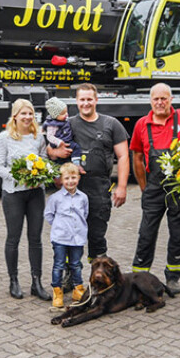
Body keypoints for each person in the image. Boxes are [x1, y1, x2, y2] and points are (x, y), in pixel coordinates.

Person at [129, 82, 180, 294]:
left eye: (164, 98)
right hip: (153, 187)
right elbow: (138, 157)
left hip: (179, 187)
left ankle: (173, 277)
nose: (160, 103)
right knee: (146, 232)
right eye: (156, 99)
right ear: (151, 101)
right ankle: (140, 275)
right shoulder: (142, 124)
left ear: (171, 99)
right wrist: (144, 187)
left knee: (178, 232)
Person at [47, 83, 129, 263]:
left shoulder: (111, 124)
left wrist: (122, 187)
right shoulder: (67, 124)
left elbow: (123, 156)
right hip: (72, 190)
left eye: (89, 99)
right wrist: (55, 153)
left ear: (96, 100)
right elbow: (49, 148)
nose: (86, 103)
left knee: (97, 236)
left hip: (99, 189)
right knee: (69, 235)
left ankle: (98, 278)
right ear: (76, 101)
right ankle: (70, 277)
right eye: (82, 99)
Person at [0, 99, 51, 301]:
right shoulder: (4, 138)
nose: (27, 117)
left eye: (30, 114)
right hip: (13, 194)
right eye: (23, 113)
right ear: (15, 115)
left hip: (36, 194)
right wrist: (19, 176)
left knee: (35, 238)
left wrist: (40, 174)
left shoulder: (38, 137)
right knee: (13, 238)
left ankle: (36, 282)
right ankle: (14, 280)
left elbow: (44, 160)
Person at [44, 162, 89, 310]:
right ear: (61, 180)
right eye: (67, 178)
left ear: (78, 178)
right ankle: (57, 292)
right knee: (59, 265)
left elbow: (85, 214)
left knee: (76, 264)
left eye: (73, 177)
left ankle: (78, 290)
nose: (70, 181)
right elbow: (49, 215)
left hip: (77, 238)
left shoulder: (83, 197)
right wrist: (59, 226)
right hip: (61, 238)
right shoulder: (55, 198)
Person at [42, 97, 82, 167]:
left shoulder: (66, 120)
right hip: (58, 143)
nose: (66, 115)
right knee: (73, 149)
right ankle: (59, 167)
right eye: (63, 113)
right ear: (55, 115)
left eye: (66, 112)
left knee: (75, 148)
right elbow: (50, 136)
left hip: (67, 140)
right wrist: (58, 142)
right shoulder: (53, 125)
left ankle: (75, 162)